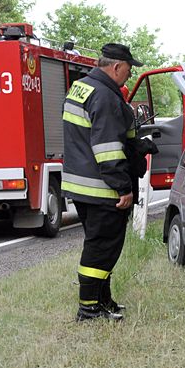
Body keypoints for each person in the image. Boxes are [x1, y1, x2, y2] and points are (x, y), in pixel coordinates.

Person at [62, 43, 143, 321]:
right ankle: (89, 309)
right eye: (129, 70)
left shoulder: (81, 87)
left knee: (102, 246)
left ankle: (102, 301)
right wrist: (122, 186)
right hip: (101, 188)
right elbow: (107, 148)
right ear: (116, 67)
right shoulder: (106, 97)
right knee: (101, 248)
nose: (129, 76)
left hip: (81, 185)